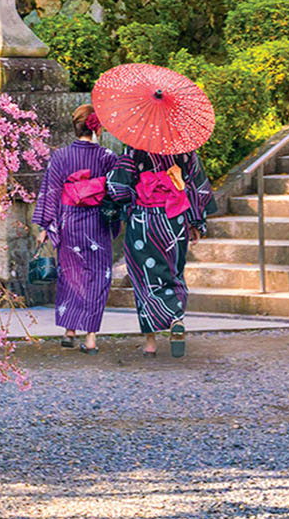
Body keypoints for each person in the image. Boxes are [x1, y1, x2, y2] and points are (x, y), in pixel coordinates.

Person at [106, 145, 215, 357]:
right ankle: (176, 319)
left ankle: (150, 342)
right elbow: (195, 186)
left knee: (144, 276)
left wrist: (129, 202)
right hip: (174, 218)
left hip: (144, 219)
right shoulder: (184, 148)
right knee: (174, 271)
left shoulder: (135, 147)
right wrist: (196, 223)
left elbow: (118, 187)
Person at [32, 103, 121, 352]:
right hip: (96, 223)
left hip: (69, 221)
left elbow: (51, 192)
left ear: (76, 127)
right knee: (97, 277)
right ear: (98, 128)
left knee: (70, 274)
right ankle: (90, 337)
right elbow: (115, 193)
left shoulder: (61, 157)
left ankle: (69, 331)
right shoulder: (108, 157)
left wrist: (45, 227)